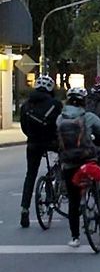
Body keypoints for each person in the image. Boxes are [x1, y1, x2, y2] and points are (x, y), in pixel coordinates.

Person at [56, 87, 100, 247]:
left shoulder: (60, 119)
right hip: (88, 161)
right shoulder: (89, 117)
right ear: (84, 102)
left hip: (68, 163)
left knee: (73, 200)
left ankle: (75, 237)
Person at [19, 75, 63, 228]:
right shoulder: (56, 104)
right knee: (61, 162)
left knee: (30, 175)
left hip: (33, 144)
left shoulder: (25, 105)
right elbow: (60, 124)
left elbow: (24, 127)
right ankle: (55, 184)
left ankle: (24, 209)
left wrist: (32, 137)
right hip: (52, 143)